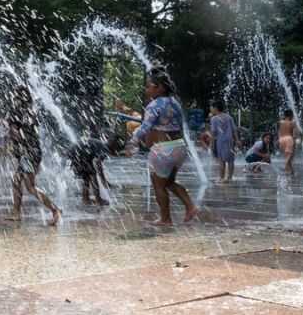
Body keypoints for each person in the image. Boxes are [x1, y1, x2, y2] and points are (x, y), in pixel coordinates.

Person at [125, 65, 199, 226]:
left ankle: (166, 219)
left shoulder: (154, 105)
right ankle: (190, 206)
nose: (146, 90)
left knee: (158, 185)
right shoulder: (175, 103)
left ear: (159, 87)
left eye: (149, 86)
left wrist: (132, 142)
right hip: (179, 147)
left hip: (163, 150)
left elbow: (145, 127)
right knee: (169, 183)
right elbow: (180, 126)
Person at [7, 86, 61, 225]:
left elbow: (16, 134)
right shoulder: (31, 111)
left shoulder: (16, 112)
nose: (14, 98)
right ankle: (16, 213)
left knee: (30, 186)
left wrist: (13, 139)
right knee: (17, 181)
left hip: (27, 154)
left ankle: (54, 210)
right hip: (34, 152)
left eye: (15, 96)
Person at [68, 134, 111, 206]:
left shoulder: (100, 145)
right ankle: (98, 200)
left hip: (74, 151)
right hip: (78, 152)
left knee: (86, 176)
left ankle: (85, 199)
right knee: (92, 174)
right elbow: (98, 165)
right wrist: (103, 180)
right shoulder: (104, 149)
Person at [210, 101, 239, 183]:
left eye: (212, 108)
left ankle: (221, 178)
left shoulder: (214, 119)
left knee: (221, 160)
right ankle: (230, 177)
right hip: (230, 141)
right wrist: (237, 140)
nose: (211, 109)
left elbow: (213, 132)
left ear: (215, 108)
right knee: (230, 160)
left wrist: (212, 145)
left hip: (221, 141)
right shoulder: (229, 117)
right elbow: (234, 130)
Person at [278, 109, 300, 175]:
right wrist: (295, 142)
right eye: (292, 115)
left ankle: (291, 171)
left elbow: (279, 132)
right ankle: (285, 167)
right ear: (290, 115)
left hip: (281, 139)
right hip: (289, 138)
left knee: (287, 156)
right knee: (291, 156)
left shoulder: (280, 122)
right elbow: (295, 134)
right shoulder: (292, 123)